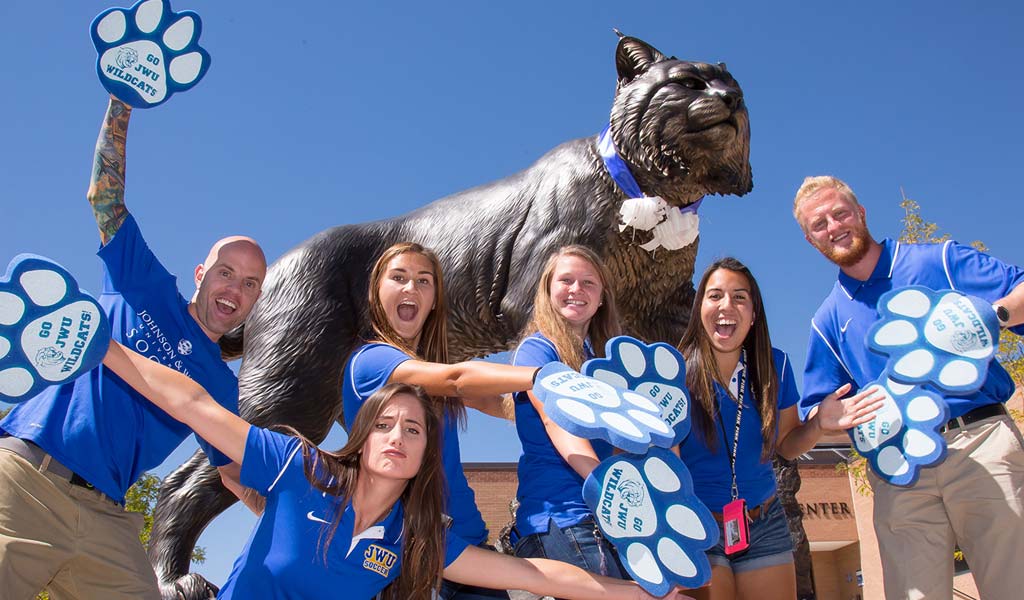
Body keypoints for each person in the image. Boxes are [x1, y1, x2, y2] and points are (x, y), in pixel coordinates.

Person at [101, 342, 690, 600]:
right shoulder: (298, 469)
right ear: (363, 436)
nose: (399, 437)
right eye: (386, 425)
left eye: (415, 430)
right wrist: (104, 347)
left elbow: (539, 576)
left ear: (425, 455)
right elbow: (195, 405)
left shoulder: (415, 538)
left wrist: (639, 595)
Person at [0, 96, 267, 599]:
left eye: (250, 283)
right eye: (226, 272)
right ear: (200, 274)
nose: (234, 289)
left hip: (105, 516)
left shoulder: (219, 388)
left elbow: (237, 475)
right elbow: (105, 197)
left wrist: (312, 526)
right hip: (25, 476)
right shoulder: (142, 284)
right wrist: (121, 102)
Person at [793, 175, 1024, 600]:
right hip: (899, 470)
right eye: (818, 224)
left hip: (979, 441)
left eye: (839, 213)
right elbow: (818, 410)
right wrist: (826, 419)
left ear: (860, 213)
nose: (833, 226)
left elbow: (1019, 290)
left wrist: (994, 316)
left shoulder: (940, 261)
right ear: (811, 241)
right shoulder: (826, 320)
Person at [341, 241, 540, 600]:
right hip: (404, 550)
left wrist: (565, 405)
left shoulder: (431, 374)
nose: (410, 288)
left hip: (468, 545)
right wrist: (544, 376)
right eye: (398, 278)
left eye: (423, 281)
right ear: (376, 293)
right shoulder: (371, 362)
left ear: (434, 300)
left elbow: (495, 400)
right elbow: (457, 379)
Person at [676, 257, 882, 600]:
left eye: (740, 297)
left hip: (764, 521)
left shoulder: (777, 365)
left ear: (754, 315)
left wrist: (818, 424)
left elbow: (786, 445)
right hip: (698, 524)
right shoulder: (673, 374)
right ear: (699, 309)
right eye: (715, 296)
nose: (727, 305)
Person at [509, 245, 629, 582]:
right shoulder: (538, 349)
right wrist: (606, 486)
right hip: (563, 516)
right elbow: (555, 421)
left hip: (606, 517)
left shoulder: (603, 361)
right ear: (548, 291)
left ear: (602, 297)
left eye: (588, 283)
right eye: (566, 280)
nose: (577, 289)